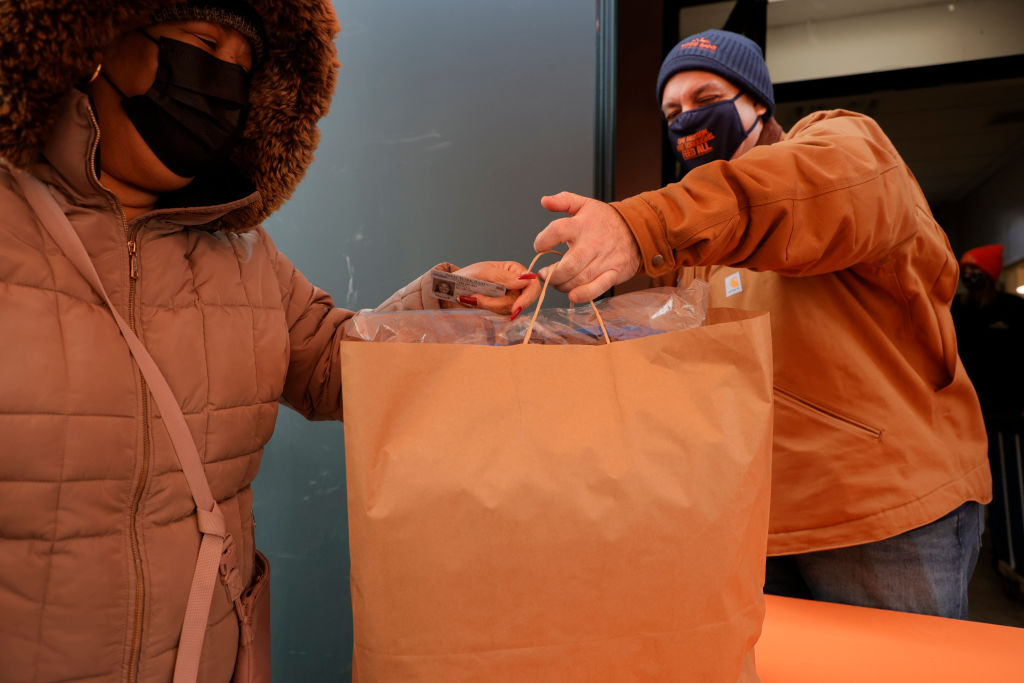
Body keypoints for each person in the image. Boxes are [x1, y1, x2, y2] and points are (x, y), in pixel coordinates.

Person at [0, 0, 538, 680]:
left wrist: (452, 303)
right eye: (202, 44)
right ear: (100, 41)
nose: (222, 81)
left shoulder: (246, 256)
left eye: (242, 67)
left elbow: (339, 363)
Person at [533, 28, 991, 618]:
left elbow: (808, 191)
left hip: (879, 518)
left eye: (706, 98)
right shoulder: (700, 249)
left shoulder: (841, 144)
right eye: (672, 109)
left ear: (757, 102)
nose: (686, 118)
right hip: (756, 520)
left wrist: (644, 224)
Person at [951, 244, 1024, 581]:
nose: (970, 275)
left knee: (1011, 488)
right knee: (970, 490)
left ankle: (1013, 558)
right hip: (964, 420)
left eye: (976, 268)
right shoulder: (957, 312)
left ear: (991, 274)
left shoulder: (1013, 311)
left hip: (1006, 418)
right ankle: (981, 552)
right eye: (966, 269)